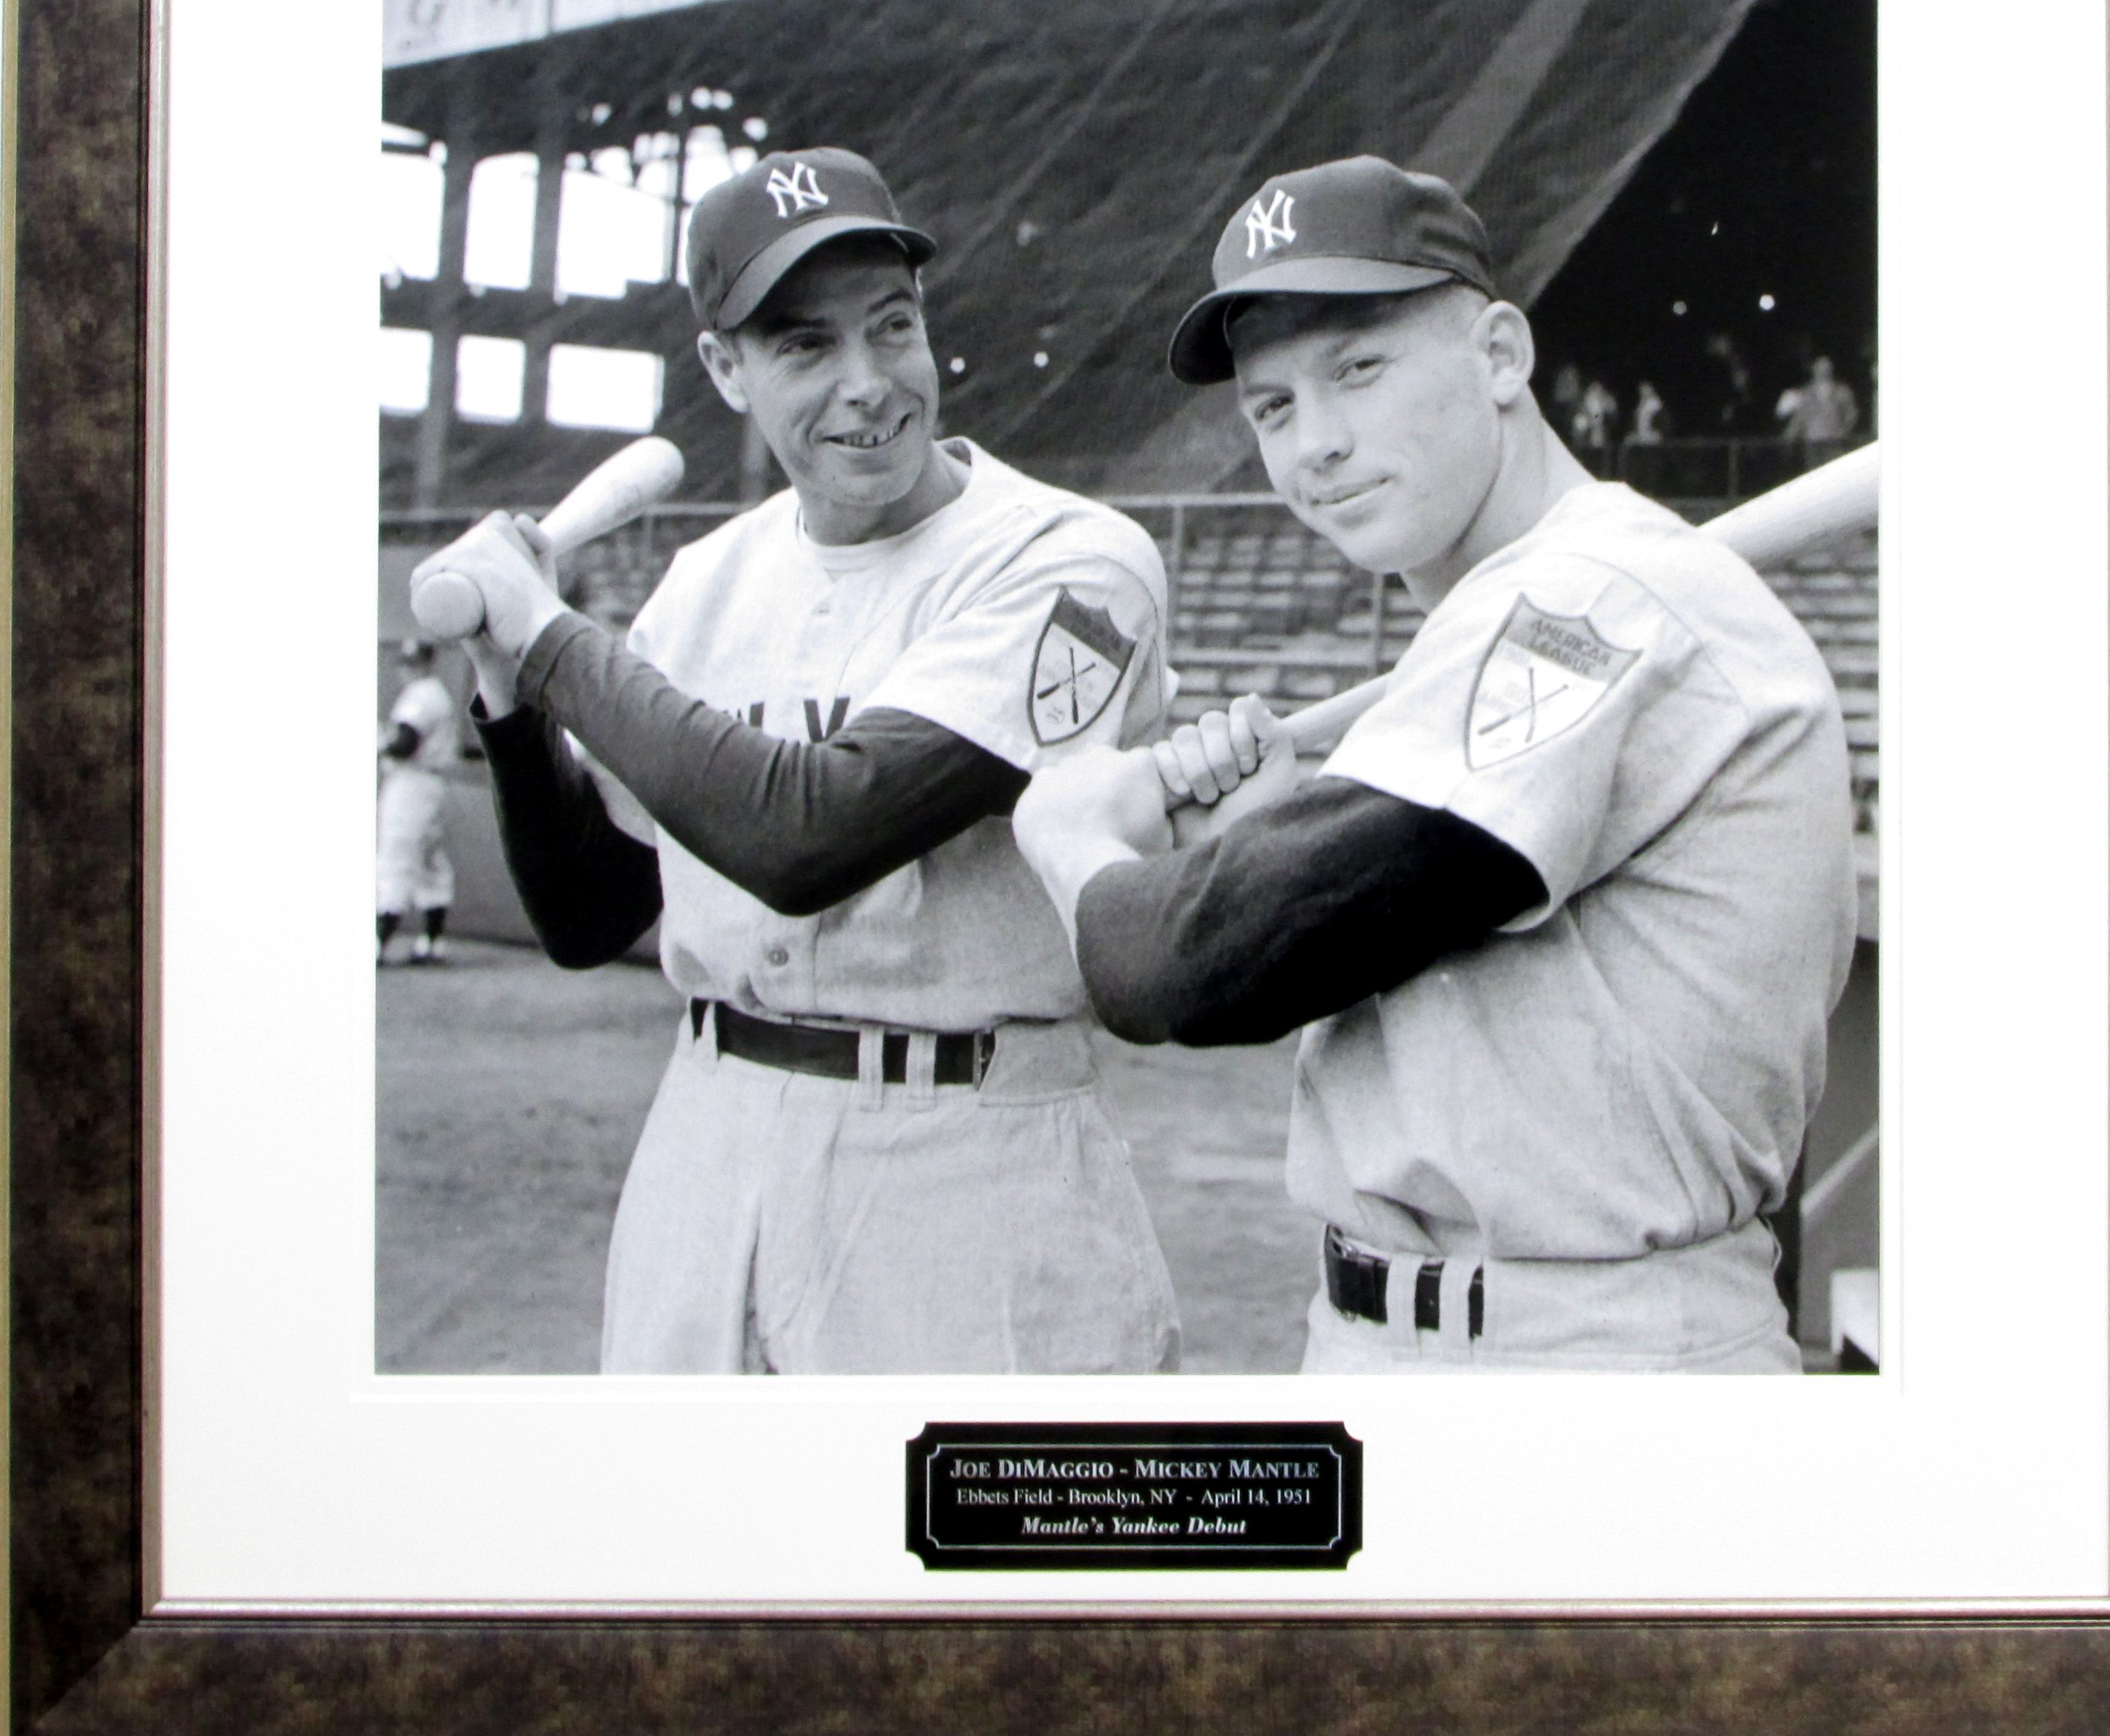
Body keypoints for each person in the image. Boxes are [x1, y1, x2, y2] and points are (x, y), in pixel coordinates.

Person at [1012, 156, 1855, 1374]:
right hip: (1397, 1332)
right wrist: (1279, 825)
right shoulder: (1520, 609)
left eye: (1357, 369)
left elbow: (1185, 969)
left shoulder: (1595, 593)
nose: (1317, 446)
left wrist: (1071, 832)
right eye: (1273, 406)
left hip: (1594, 1360)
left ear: (1500, 356)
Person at [412, 146, 1180, 1376]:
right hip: (706, 1139)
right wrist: (510, 691)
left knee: (947, 1561)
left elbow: (809, 835)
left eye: (891, 329)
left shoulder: (1072, 561)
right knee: (691, 1562)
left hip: (962, 1154)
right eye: (804, 347)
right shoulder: (705, 581)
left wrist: (554, 640)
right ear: (725, 368)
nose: (868, 386)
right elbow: (588, 910)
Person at [377, 640, 458, 966]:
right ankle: (432, 943)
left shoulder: (422, 694)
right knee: (430, 863)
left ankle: (377, 944)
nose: (407, 668)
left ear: (426, 663)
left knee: (396, 855)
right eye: (405, 662)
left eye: (412, 662)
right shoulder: (435, 693)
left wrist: (381, 743)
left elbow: (404, 744)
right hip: (431, 784)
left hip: (412, 783)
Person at [1776, 354, 1861, 456]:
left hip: (1834, 443)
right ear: (1814, 369)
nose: (1824, 371)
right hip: (1812, 444)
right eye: (1820, 367)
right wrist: (1788, 439)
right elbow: (1799, 418)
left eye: (1827, 367)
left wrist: (1844, 432)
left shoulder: (1842, 391)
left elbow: (1852, 414)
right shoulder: (1805, 393)